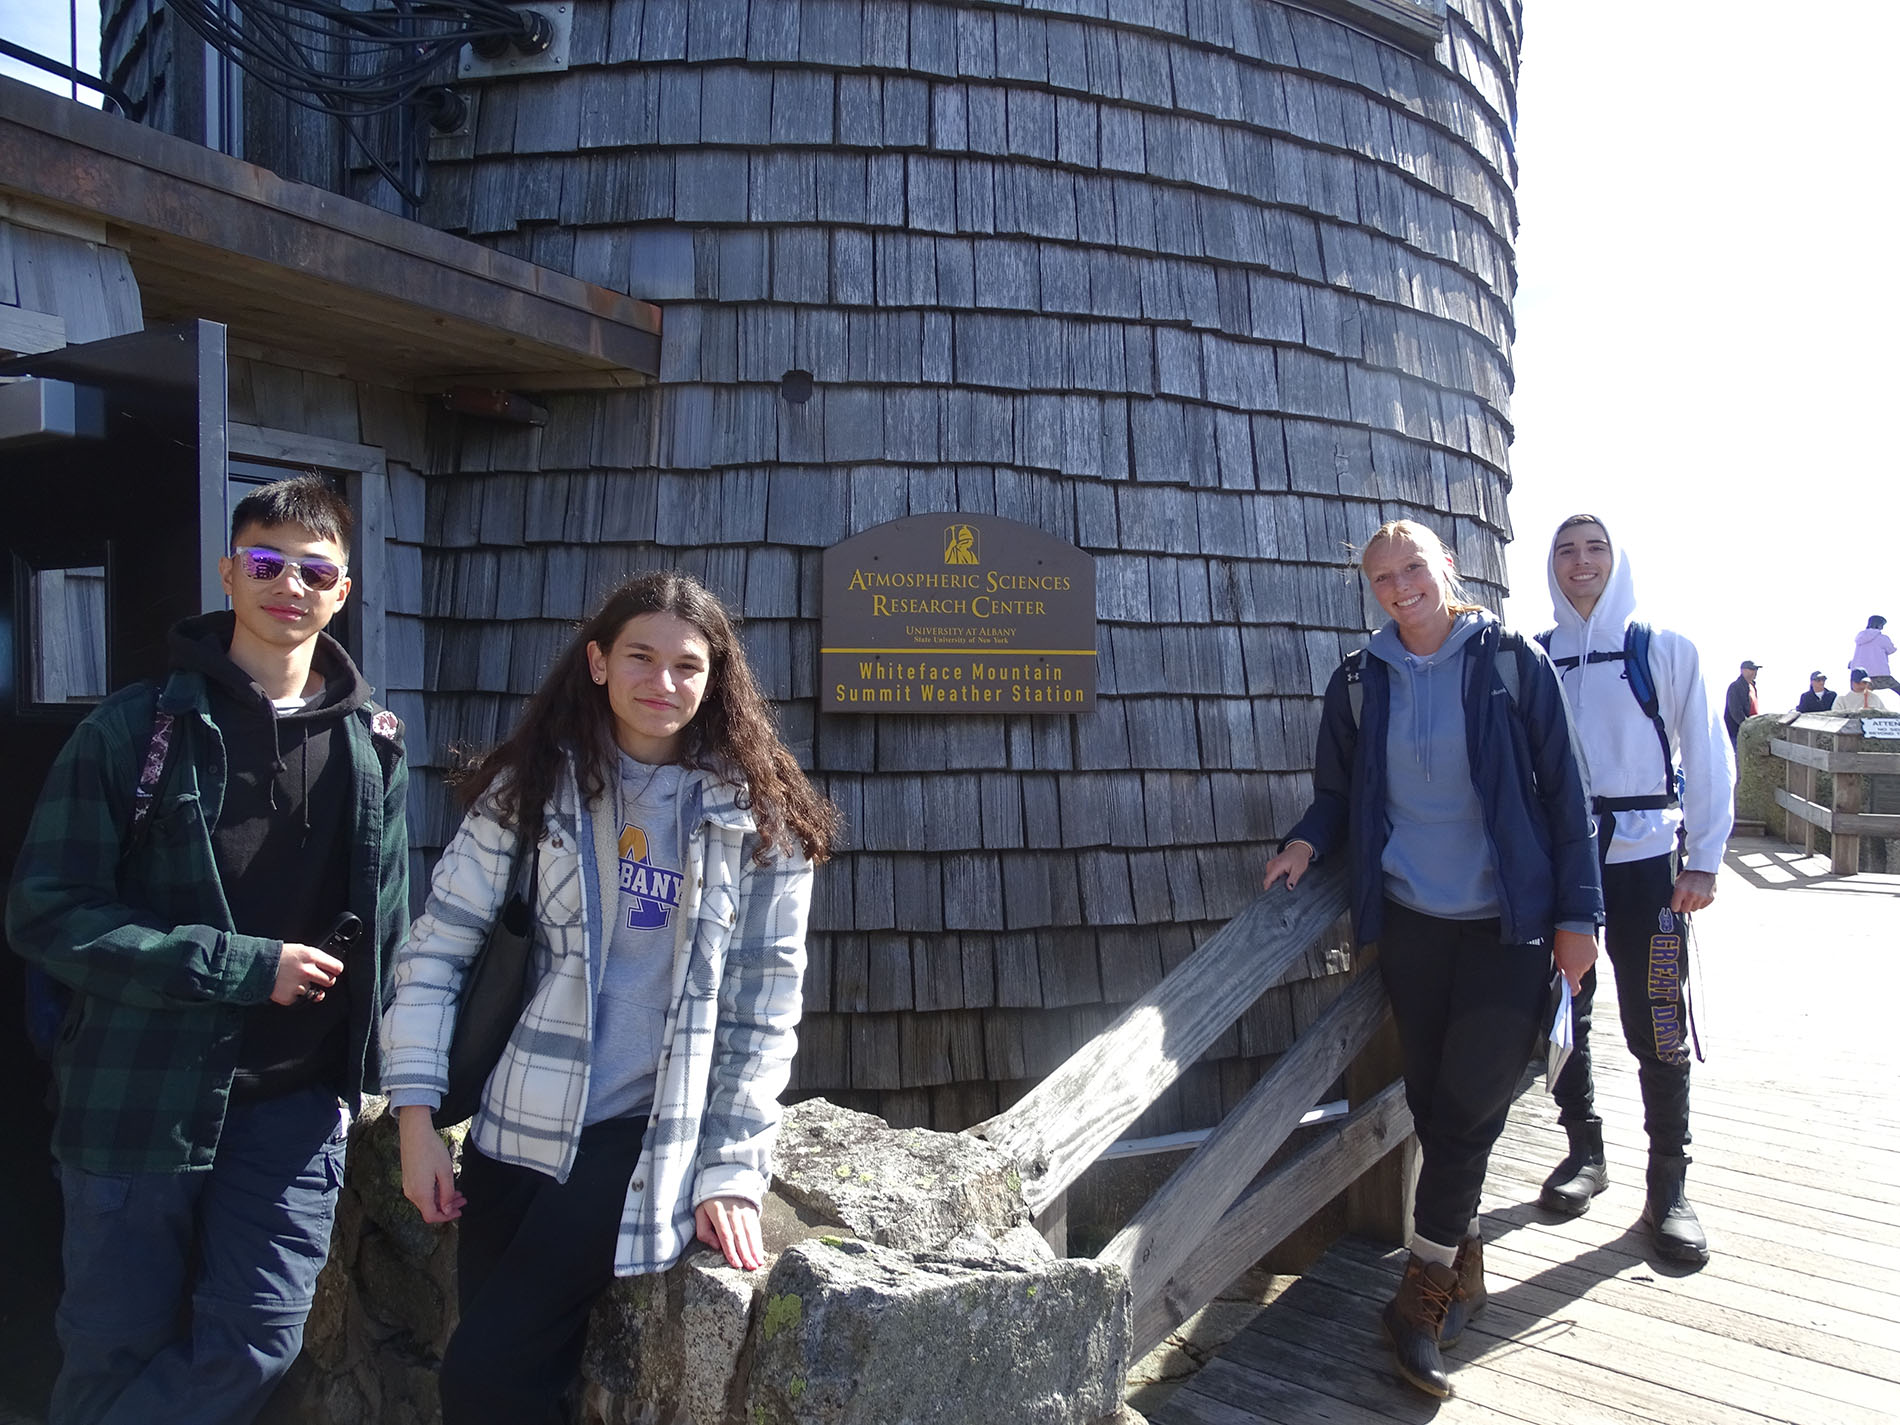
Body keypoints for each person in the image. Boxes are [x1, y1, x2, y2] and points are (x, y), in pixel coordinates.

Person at [381, 570, 837, 1425]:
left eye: (687, 666)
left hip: (639, 1136)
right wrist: (415, 1116)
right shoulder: (530, 789)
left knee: (483, 1373)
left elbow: (763, 1011)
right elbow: (435, 947)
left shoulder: (759, 819)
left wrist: (734, 1168)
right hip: (515, 1130)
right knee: (507, 1382)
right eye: (640, 656)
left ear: (715, 679)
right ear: (597, 662)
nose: (663, 683)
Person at [6, 477, 410, 1425]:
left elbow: (386, 930)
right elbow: (46, 912)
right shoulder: (133, 729)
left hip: (293, 1110)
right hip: (134, 1099)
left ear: (342, 590)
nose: (288, 586)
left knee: (257, 1344)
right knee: (110, 1347)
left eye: (314, 570)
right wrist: (240, 967)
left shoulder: (373, 745)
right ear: (229, 572)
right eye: (265, 563)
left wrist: (382, 1084)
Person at [1260, 520, 1600, 1400]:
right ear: (1370, 590)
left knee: (1466, 1108)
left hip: (1507, 926)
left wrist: (1580, 916)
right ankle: (1460, 1249)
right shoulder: (1359, 681)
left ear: (1447, 566)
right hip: (1412, 922)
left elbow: (1566, 796)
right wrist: (1306, 842)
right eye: (1383, 577)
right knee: (1429, 1101)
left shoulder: (1509, 662)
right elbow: (1339, 793)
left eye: (1414, 567)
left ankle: (1416, 1301)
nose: (1401, 586)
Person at [1536, 516, 1734, 1267]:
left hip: (1648, 858)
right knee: (1562, 1011)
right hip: (1566, 862)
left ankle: (1669, 1184)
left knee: (1656, 1012)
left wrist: (1705, 858)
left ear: (1617, 561)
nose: (1580, 562)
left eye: (1595, 548)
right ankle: (1583, 1149)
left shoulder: (1664, 649)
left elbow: (1708, 753)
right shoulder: (1538, 655)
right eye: (1565, 549)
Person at [1849, 616, 1895, 690]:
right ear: (1878, 625)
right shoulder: (1882, 638)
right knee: (1896, 687)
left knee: (1860, 697)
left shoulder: (1860, 637)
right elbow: (1891, 649)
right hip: (1879, 673)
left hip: (1860, 675)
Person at [1722, 660, 1760, 746]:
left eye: (1756, 669)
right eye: (1751, 669)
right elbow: (1735, 711)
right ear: (1743, 670)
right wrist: (1746, 725)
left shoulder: (1752, 686)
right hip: (1736, 732)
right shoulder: (1735, 687)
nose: (1755, 672)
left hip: (1749, 731)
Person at [1834, 668, 1898, 714]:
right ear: (1852, 682)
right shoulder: (1842, 699)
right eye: (1858, 683)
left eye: (1864, 682)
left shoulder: (1874, 697)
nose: (1862, 685)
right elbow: (1835, 717)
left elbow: (1885, 714)